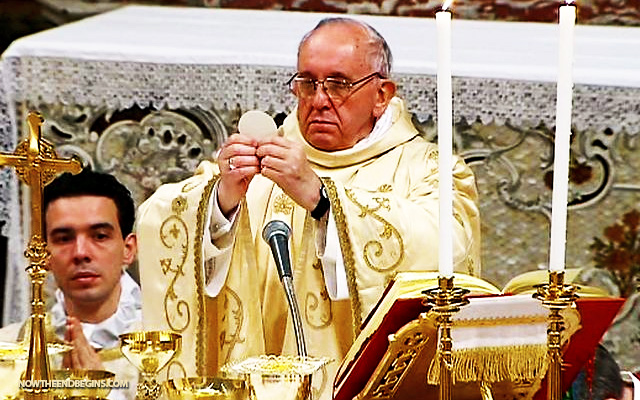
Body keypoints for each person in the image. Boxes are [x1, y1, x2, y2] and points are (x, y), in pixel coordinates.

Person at [137, 17, 481, 399]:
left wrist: (323, 201)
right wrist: (222, 202)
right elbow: (159, 216)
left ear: (382, 94)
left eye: (338, 84)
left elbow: (446, 248)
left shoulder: (430, 170)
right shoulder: (264, 157)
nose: (319, 100)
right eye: (307, 83)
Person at [0, 169, 140, 400]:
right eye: (64, 239)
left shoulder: (171, 348)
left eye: (100, 236)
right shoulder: (8, 350)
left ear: (128, 249)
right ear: (44, 254)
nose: (81, 253)